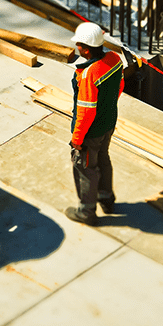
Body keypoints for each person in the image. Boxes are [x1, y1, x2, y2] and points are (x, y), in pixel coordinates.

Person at [65, 22, 125, 226]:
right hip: (108, 123)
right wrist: (108, 110)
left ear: (86, 48)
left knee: (85, 168)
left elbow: (86, 110)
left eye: (79, 45)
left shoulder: (90, 72)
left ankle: (86, 212)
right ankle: (107, 200)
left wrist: (77, 139)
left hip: (91, 132)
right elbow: (120, 86)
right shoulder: (115, 59)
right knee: (103, 159)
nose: (77, 48)